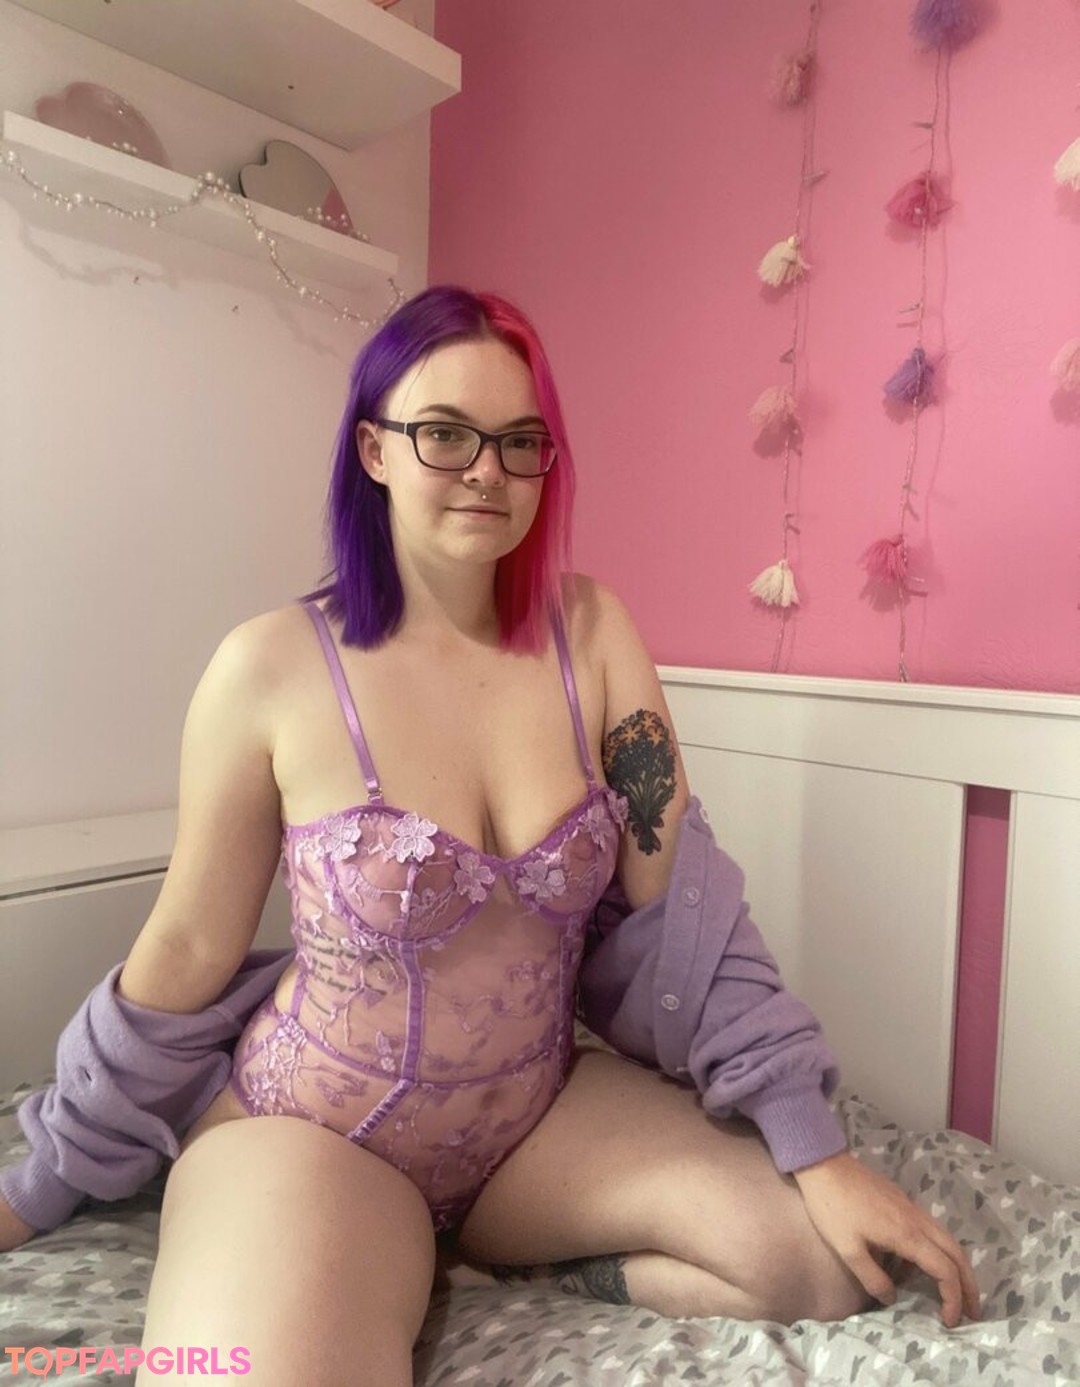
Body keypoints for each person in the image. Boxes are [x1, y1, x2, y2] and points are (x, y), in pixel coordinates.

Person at [0, 286, 979, 1385]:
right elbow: (185, 949)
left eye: (520, 442)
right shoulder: (266, 668)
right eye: (446, 434)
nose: (487, 471)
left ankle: (489, 1261)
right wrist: (44, 1177)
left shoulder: (593, 634)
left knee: (826, 1264)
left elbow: (685, 921)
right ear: (373, 450)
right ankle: (378, 1259)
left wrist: (817, 1145)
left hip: (533, 1125)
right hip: (316, 1133)